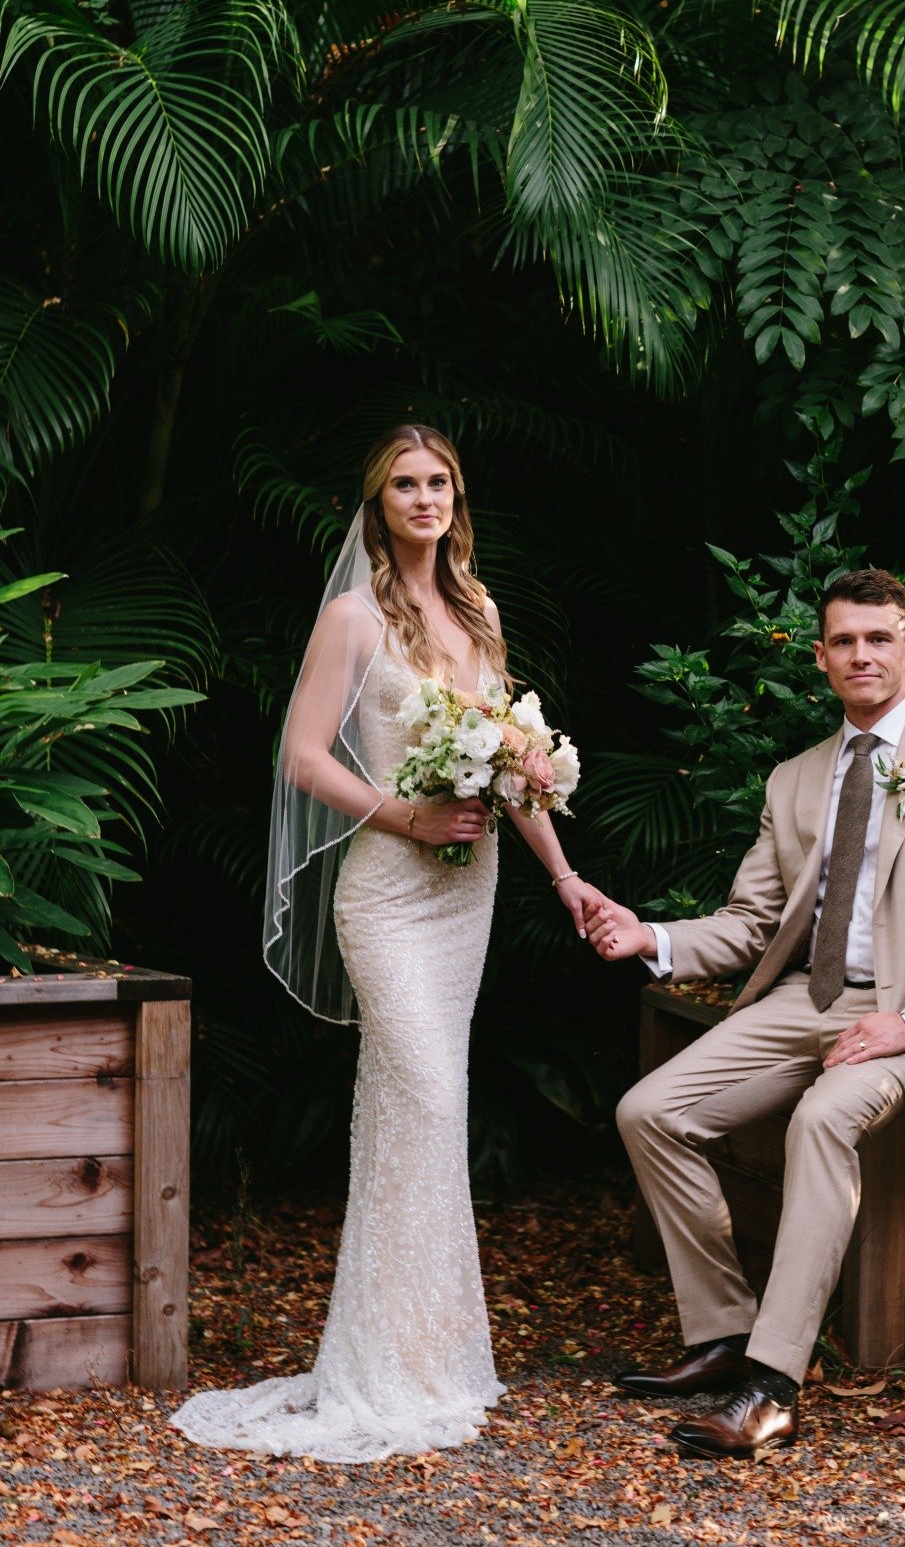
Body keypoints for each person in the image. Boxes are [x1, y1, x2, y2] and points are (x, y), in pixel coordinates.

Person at [174, 423, 607, 1463]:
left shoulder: (478, 610)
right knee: (424, 1090)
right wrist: (401, 817)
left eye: (440, 481)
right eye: (405, 483)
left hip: (472, 892)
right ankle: (379, 1369)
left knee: (424, 1107)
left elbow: (508, 761)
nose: (425, 497)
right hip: (387, 888)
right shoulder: (351, 616)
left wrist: (564, 871)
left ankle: (425, 1354)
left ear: (458, 497)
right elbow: (302, 755)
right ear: (378, 502)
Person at [584, 567, 905, 1460]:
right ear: (822, 659)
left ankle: (772, 1384)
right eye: (844, 640)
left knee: (824, 1118)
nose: (862, 654)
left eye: (880, 638)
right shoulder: (795, 778)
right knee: (650, 1112)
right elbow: (752, 924)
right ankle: (722, 1333)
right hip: (810, 998)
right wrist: (647, 936)